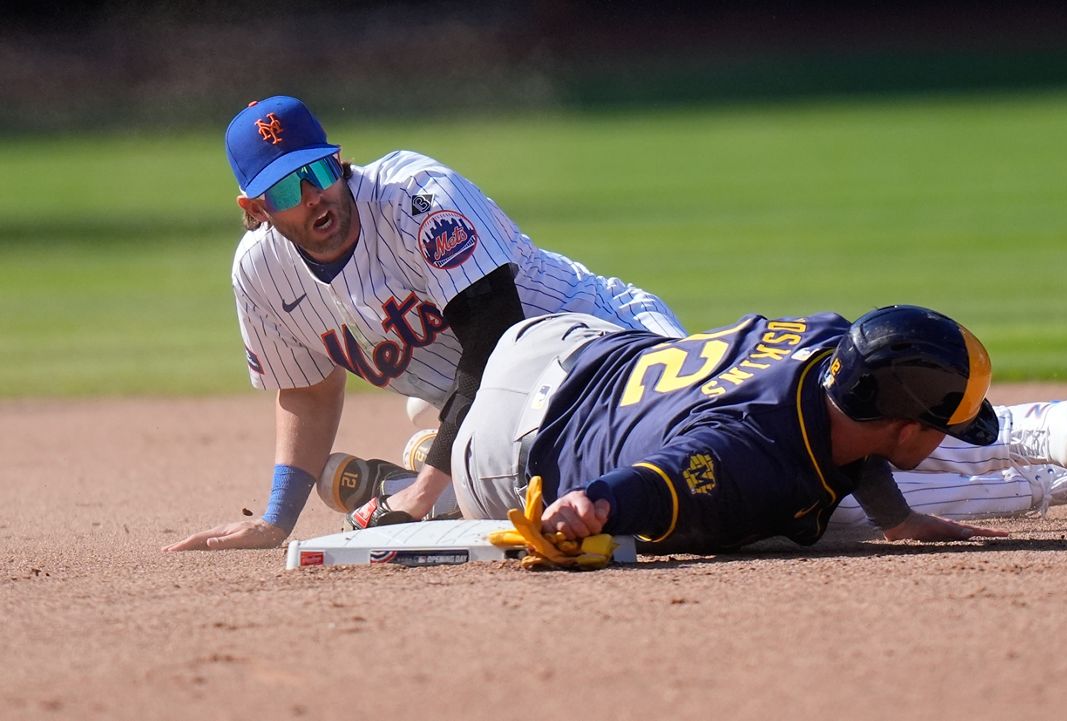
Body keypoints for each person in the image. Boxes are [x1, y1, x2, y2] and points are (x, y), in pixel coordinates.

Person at [164, 95, 685, 552]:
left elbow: (492, 344)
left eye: (317, 173)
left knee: (673, 474)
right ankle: (451, 464)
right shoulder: (261, 273)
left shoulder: (416, 197)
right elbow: (309, 392)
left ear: (338, 162)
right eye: (283, 193)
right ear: (255, 208)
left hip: (608, 348)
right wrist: (277, 520)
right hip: (505, 417)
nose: (311, 198)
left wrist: (419, 496)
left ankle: (429, 475)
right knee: (566, 505)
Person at [447, 305, 1067, 551]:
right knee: (788, 510)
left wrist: (897, 517)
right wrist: (594, 504)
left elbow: (844, 436)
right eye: (940, 424)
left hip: (560, 340)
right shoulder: (755, 460)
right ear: (900, 426)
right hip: (504, 453)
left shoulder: (830, 336)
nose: (946, 433)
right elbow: (669, 481)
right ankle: (439, 466)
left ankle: (430, 446)